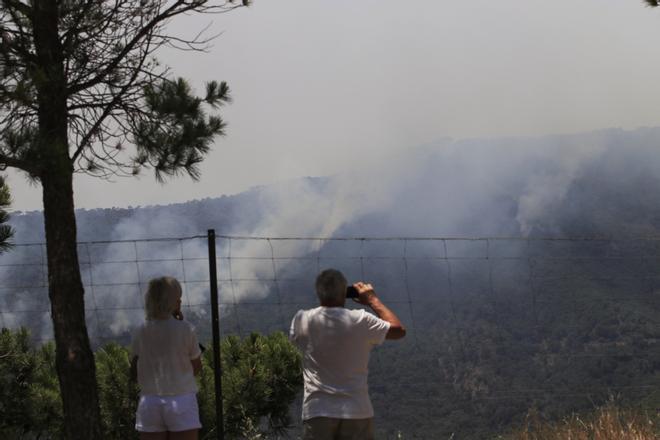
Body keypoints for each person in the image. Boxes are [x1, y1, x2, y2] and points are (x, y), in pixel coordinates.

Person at [289, 269, 407, 440]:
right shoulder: (362, 320)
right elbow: (399, 331)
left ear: (319, 293)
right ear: (345, 293)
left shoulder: (302, 319)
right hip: (357, 410)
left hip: (317, 410)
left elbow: (295, 340)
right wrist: (372, 300)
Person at [130, 276, 203, 440]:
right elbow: (196, 367)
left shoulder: (140, 331)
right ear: (174, 303)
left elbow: (134, 368)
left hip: (149, 402)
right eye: (179, 299)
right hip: (182, 400)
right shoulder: (186, 329)